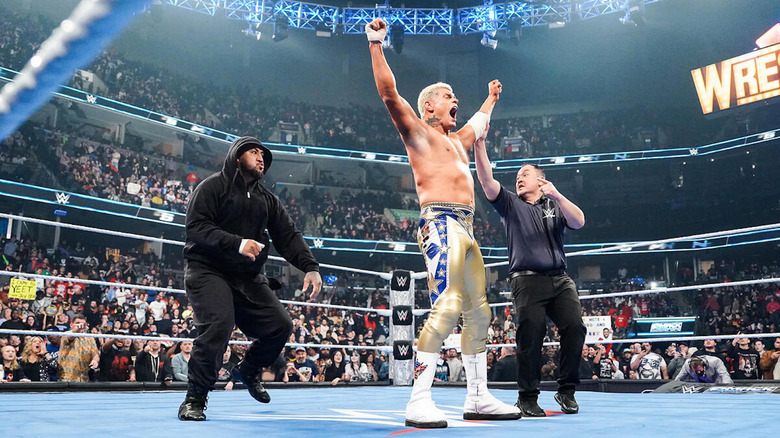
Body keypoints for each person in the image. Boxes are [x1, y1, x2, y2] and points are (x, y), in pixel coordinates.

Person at [366, 17, 520, 428]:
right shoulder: (418, 132)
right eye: (449, 95)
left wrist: (491, 98)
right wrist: (376, 43)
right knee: (448, 304)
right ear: (430, 106)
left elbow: (479, 123)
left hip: (467, 228)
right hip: (439, 222)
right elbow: (387, 92)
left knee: (480, 313)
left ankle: (478, 398)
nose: (457, 101)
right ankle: (418, 400)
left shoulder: (458, 141)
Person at [178, 136, 322, 421]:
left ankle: (249, 368)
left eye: (263, 155)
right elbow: (195, 227)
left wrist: (310, 266)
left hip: (246, 275)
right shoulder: (212, 187)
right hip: (208, 269)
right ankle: (195, 398)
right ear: (236, 156)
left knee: (281, 325)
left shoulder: (266, 199)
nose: (261, 158)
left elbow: (288, 235)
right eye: (254, 152)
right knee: (219, 324)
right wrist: (237, 243)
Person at [473, 128, 587, 417]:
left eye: (525, 173)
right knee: (531, 336)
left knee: (575, 328)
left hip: (560, 279)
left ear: (541, 179)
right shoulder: (511, 204)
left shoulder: (555, 204)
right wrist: (481, 143)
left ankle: (566, 391)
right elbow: (487, 181)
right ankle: (526, 397)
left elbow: (579, 222)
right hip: (526, 280)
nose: (519, 178)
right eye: (517, 176)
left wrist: (558, 195)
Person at [58, 314, 99, 382]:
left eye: (82, 324)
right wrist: (76, 330)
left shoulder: (90, 338)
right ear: (71, 325)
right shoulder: (65, 334)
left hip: (84, 379)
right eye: (77, 323)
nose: (80, 325)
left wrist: (95, 360)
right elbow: (70, 338)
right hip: (67, 379)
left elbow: (95, 354)